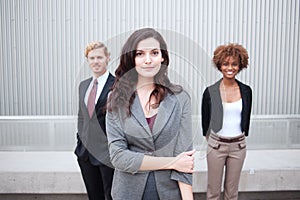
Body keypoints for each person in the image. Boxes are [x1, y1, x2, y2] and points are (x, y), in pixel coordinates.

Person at [106, 28, 195, 200]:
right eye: (140, 54)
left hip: (169, 193)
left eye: (154, 53)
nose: (148, 60)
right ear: (132, 59)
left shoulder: (180, 98)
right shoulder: (116, 99)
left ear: (163, 57)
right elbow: (118, 157)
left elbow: (185, 159)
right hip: (127, 192)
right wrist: (172, 162)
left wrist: (188, 198)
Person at [201, 43, 252, 200]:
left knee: (232, 193)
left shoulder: (246, 91)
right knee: (213, 192)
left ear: (240, 65)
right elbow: (205, 122)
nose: (230, 68)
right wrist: (212, 142)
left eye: (234, 64)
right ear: (219, 65)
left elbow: (246, 117)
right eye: (225, 64)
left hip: (238, 146)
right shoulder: (211, 91)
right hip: (216, 146)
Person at [75, 41, 115, 200]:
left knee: (111, 196)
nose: (95, 61)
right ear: (87, 60)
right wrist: (79, 142)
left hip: (108, 154)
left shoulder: (117, 85)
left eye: (99, 57)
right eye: (92, 58)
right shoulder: (83, 86)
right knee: (94, 196)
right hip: (85, 153)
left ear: (108, 58)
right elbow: (82, 117)